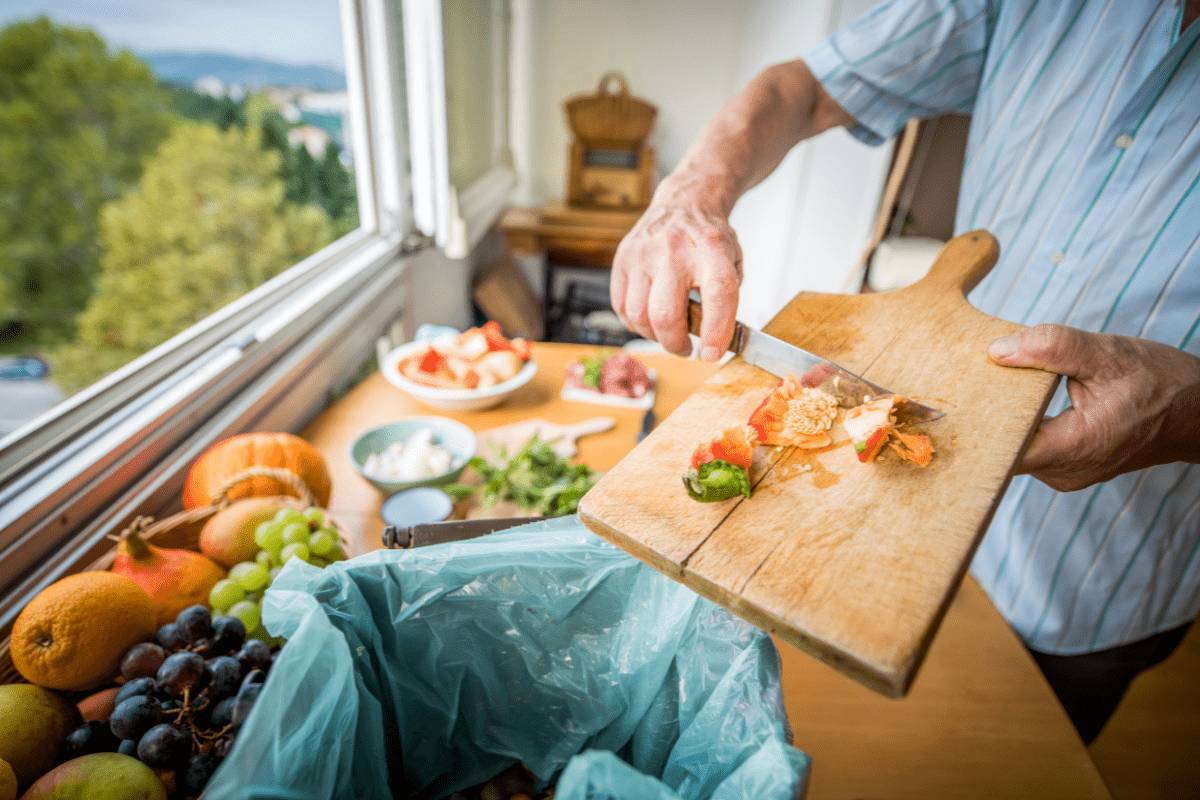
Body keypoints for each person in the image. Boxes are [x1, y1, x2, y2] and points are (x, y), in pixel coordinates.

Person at [610, 0, 1200, 745]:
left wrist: (1188, 409)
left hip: (1090, 574)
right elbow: (803, 86)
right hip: (883, 540)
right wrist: (687, 190)